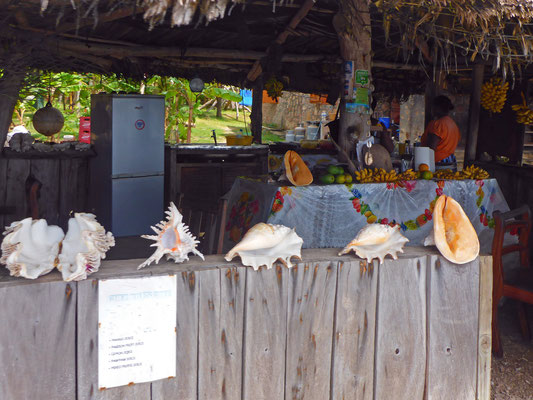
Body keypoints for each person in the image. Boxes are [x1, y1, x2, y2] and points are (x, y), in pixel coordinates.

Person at [421, 95, 460, 166]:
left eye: (432, 107)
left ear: (437, 108)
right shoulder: (453, 124)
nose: (431, 110)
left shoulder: (437, 124)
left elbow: (431, 148)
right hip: (450, 161)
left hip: (438, 162)